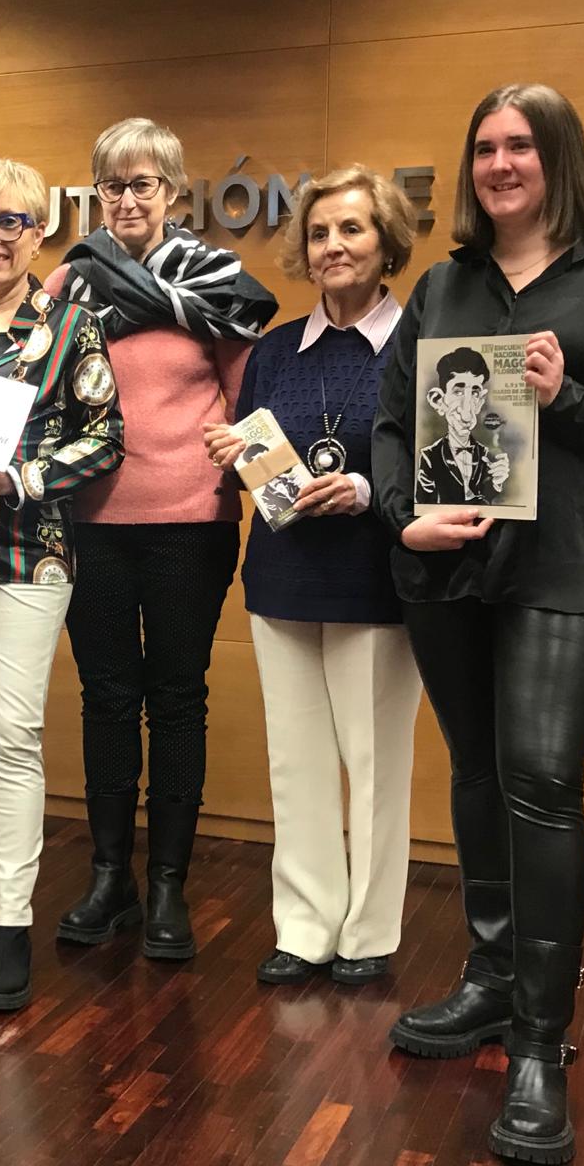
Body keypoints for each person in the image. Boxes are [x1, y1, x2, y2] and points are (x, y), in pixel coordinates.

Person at [371, 83, 584, 1165]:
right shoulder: (441, 284)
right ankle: (488, 978)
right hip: (450, 576)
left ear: (557, 157)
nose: (499, 163)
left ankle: (537, 1042)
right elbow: (388, 424)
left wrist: (573, 403)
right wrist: (403, 512)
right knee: (475, 774)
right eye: (483, 147)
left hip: (566, 571)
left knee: (541, 782)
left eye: (520, 145)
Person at [43, 117, 277, 960]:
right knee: (106, 696)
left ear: (174, 193)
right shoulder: (68, 281)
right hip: (89, 523)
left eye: (143, 184)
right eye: (111, 184)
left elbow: (251, 406)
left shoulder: (218, 285)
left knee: (177, 698)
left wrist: (269, 472)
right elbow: (42, 391)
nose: (127, 199)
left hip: (191, 524)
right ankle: (111, 877)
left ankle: (169, 885)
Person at [205, 165, 423, 989]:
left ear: (387, 242)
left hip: (376, 582)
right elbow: (256, 473)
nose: (333, 246)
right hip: (284, 579)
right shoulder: (270, 353)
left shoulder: (417, 347)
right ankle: (303, 927)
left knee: (373, 765)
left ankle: (367, 934)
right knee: (295, 765)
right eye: (321, 233)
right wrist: (231, 454)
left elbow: (438, 472)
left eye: (353, 229)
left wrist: (368, 491)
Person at [0, 158, 124, 1011]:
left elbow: (106, 438)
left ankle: (12, 920)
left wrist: (21, 479)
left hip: (30, 551)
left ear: (38, 229)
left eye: (10, 222)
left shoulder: (73, 322)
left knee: (12, 734)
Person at [416, 347, 511, 504]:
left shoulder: (486, 455)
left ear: (480, 401)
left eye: (474, 393)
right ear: (438, 400)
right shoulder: (429, 456)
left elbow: (487, 500)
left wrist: (496, 483)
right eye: (458, 392)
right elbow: (424, 503)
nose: (467, 411)